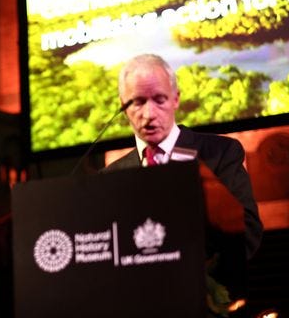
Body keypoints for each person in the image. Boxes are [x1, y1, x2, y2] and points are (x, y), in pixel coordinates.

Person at [105, 53, 263, 260]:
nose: (149, 113)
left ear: (176, 99)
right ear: (123, 106)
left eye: (159, 99)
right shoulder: (110, 177)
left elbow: (248, 232)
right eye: (138, 102)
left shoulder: (220, 154)